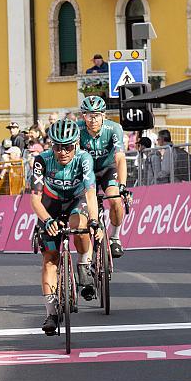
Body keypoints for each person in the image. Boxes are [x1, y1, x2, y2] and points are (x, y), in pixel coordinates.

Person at [31, 119, 103, 336]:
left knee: (80, 225)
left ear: (76, 144)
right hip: (50, 205)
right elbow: (35, 199)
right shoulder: (41, 161)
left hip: (75, 200)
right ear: (51, 145)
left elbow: (90, 193)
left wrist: (94, 220)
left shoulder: (84, 159)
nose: (62, 152)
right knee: (50, 259)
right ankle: (51, 313)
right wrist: (47, 221)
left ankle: (83, 264)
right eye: (57, 147)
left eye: (67, 147)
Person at [77, 95, 128, 258]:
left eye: (97, 115)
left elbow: (120, 158)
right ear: (83, 116)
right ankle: (85, 256)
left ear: (104, 115)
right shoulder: (77, 129)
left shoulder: (114, 128)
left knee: (115, 200)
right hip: (85, 172)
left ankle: (115, 237)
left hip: (107, 169)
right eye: (88, 115)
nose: (93, 119)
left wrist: (123, 185)